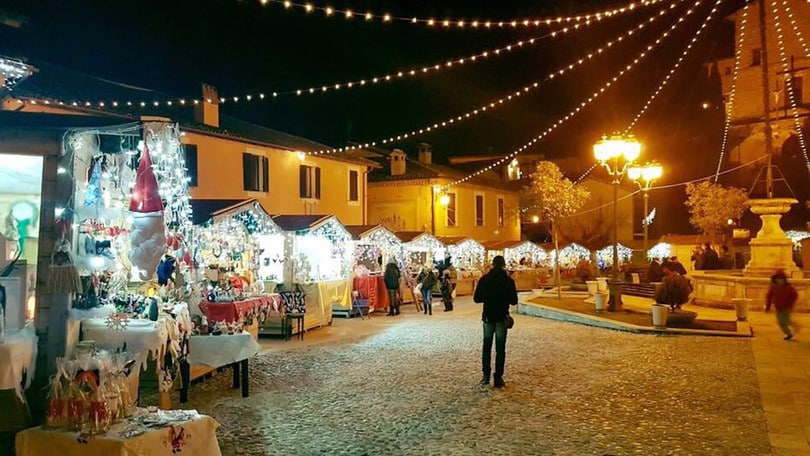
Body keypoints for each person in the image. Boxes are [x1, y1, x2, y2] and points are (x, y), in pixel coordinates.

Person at [473, 255, 518, 389]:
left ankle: (485, 375)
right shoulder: (508, 281)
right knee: (500, 348)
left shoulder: (485, 279)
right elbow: (514, 301)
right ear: (504, 265)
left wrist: (489, 297)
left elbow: (477, 298)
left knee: (486, 347)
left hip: (488, 317)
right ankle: (498, 377)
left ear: (492, 265)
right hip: (502, 317)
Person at [766, 270, 800, 340]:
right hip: (778, 307)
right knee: (781, 322)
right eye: (777, 279)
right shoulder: (773, 287)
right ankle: (789, 333)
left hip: (786, 307)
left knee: (786, 321)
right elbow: (769, 296)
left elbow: (794, 295)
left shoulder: (788, 287)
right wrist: (768, 306)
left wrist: (790, 303)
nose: (779, 280)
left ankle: (790, 332)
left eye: (781, 279)